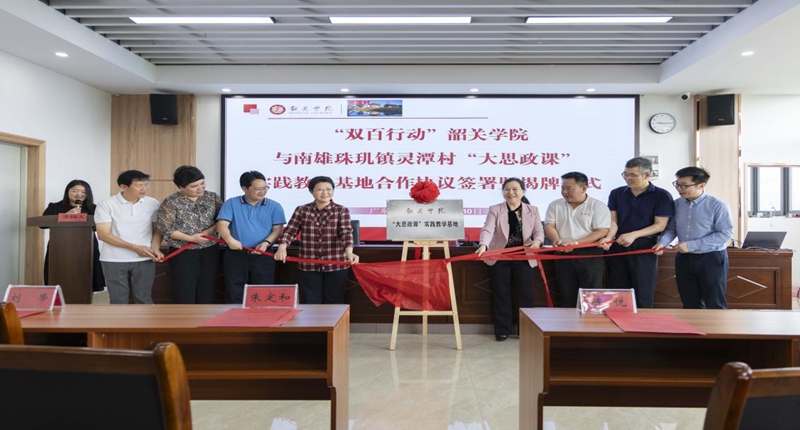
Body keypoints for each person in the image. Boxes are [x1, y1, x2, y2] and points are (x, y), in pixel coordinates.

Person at [654, 167, 733, 309]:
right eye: (677, 184)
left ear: (701, 185)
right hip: (684, 259)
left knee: (715, 302)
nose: (679, 189)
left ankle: (717, 325)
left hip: (711, 258)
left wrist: (691, 245)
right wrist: (662, 243)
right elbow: (672, 229)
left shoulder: (718, 205)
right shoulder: (676, 204)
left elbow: (725, 234)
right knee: (689, 303)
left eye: (684, 185)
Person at [476, 178, 544, 341]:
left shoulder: (532, 210)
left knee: (525, 295)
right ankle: (502, 331)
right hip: (500, 257)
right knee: (501, 294)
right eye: (507, 189)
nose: (511, 192)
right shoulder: (495, 209)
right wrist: (483, 245)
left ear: (523, 191)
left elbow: (539, 231)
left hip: (524, 257)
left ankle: (526, 330)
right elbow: (487, 229)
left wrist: (537, 242)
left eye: (515, 189)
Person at [600, 157, 674, 308]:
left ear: (647, 175)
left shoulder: (662, 195)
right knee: (619, 290)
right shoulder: (617, 193)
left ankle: (643, 322)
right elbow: (614, 221)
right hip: (619, 245)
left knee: (643, 291)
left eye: (633, 175)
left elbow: (660, 225)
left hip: (644, 246)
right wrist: (609, 237)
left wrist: (634, 234)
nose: (628, 178)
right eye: (626, 174)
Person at [274, 176, 359, 304]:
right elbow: (290, 231)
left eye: (329, 189)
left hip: (336, 264)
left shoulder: (341, 210)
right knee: (311, 301)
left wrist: (349, 252)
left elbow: (346, 232)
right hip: (308, 264)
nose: (325, 193)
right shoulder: (302, 210)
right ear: (311, 191)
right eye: (320, 189)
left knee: (334, 301)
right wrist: (282, 247)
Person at [95, 170, 164, 304]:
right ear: (123, 187)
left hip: (144, 258)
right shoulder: (106, 204)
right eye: (139, 185)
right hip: (114, 259)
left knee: (144, 299)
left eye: (146, 184)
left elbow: (157, 230)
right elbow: (103, 234)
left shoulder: (153, 203)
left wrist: (155, 248)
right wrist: (134, 247)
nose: (144, 189)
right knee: (118, 301)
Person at [157, 166, 223, 304]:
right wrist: (191, 238)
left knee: (207, 287)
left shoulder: (212, 197)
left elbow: (222, 220)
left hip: (210, 249)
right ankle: (185, 317)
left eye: (202, 183)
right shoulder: (171, 202)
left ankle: (205, 316)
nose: (200, 188)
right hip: (183, 251)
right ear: (181, 187)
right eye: (194, 186)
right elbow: (165, 228)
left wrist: (209, 231)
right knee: (184, 288)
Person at [217, 171, 285, 304]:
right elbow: (222, 225)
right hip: (236, 253)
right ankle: (235, 316)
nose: (262, 192)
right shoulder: (231, 203)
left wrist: (266, 243)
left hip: (263, 254)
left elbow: (277, 230)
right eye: (258, 188)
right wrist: (230, 240)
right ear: (244, 188)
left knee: (263, 291)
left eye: (265, 188)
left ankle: (262, 316)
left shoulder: (274, 206)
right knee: (234, 290)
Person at [544, 172, 611, 308]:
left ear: (584, 188)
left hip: (589, 254)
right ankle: (568, 322)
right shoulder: (555, 205)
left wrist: (576, 244)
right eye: (563, 188)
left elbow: (601, 231)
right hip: (563, 253)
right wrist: (556, 239)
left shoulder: (598, 206)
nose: (564, 192)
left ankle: (592, 321)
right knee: (566, 294)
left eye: (569, 188)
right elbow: (549, 226)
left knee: (591, 295)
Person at [42, 180, 106, 292]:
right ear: (67, 192)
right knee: (58, 275)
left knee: (86, 277)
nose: (79, 194)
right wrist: (67, 215)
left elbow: (101, 227)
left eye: (83, 192)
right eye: (75, 191)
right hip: (60, 247)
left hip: (86, 247)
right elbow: (42, 224)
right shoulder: (55, 207)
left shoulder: (94, 208)